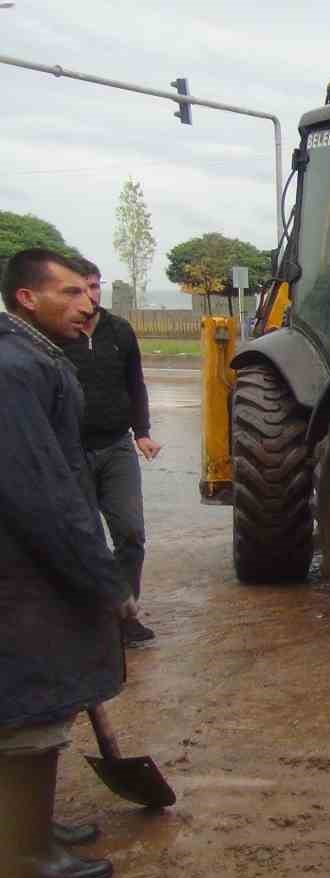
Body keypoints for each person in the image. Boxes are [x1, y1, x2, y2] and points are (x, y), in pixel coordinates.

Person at [1, 248, 131, 878]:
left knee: (38, 700)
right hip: (21, 573)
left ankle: (30, 827)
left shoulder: (35, 357)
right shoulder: (14, 369)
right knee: (30, 706)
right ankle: (24, 853)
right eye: (73, 293)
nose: (88, 304)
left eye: (89, 292)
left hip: (33, 564)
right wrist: (100, 577)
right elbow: (42, 491)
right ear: (28, 298)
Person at [61, 258, 158, 647]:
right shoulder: (55, 336)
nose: (90, 295)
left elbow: (135, 382)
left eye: (95, 286)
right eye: (80, 288)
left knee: (131, 534)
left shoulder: (119, 331)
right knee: (82, 538)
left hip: (117, 446)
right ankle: (89, 619)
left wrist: (143, 432)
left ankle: (125, 614)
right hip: (71, 451)